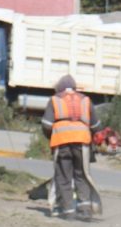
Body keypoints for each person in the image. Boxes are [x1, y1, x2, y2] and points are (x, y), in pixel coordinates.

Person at [41, 76, 97, 219]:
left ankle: (68, 211)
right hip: (82, 142)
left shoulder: (54, 100)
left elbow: (47, 125)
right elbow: (96, 125)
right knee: (81, 174)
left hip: (62, 141)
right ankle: (85, 209)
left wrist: (51, 136)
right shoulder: (86, 100)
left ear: (59, 87)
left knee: (64, 176)